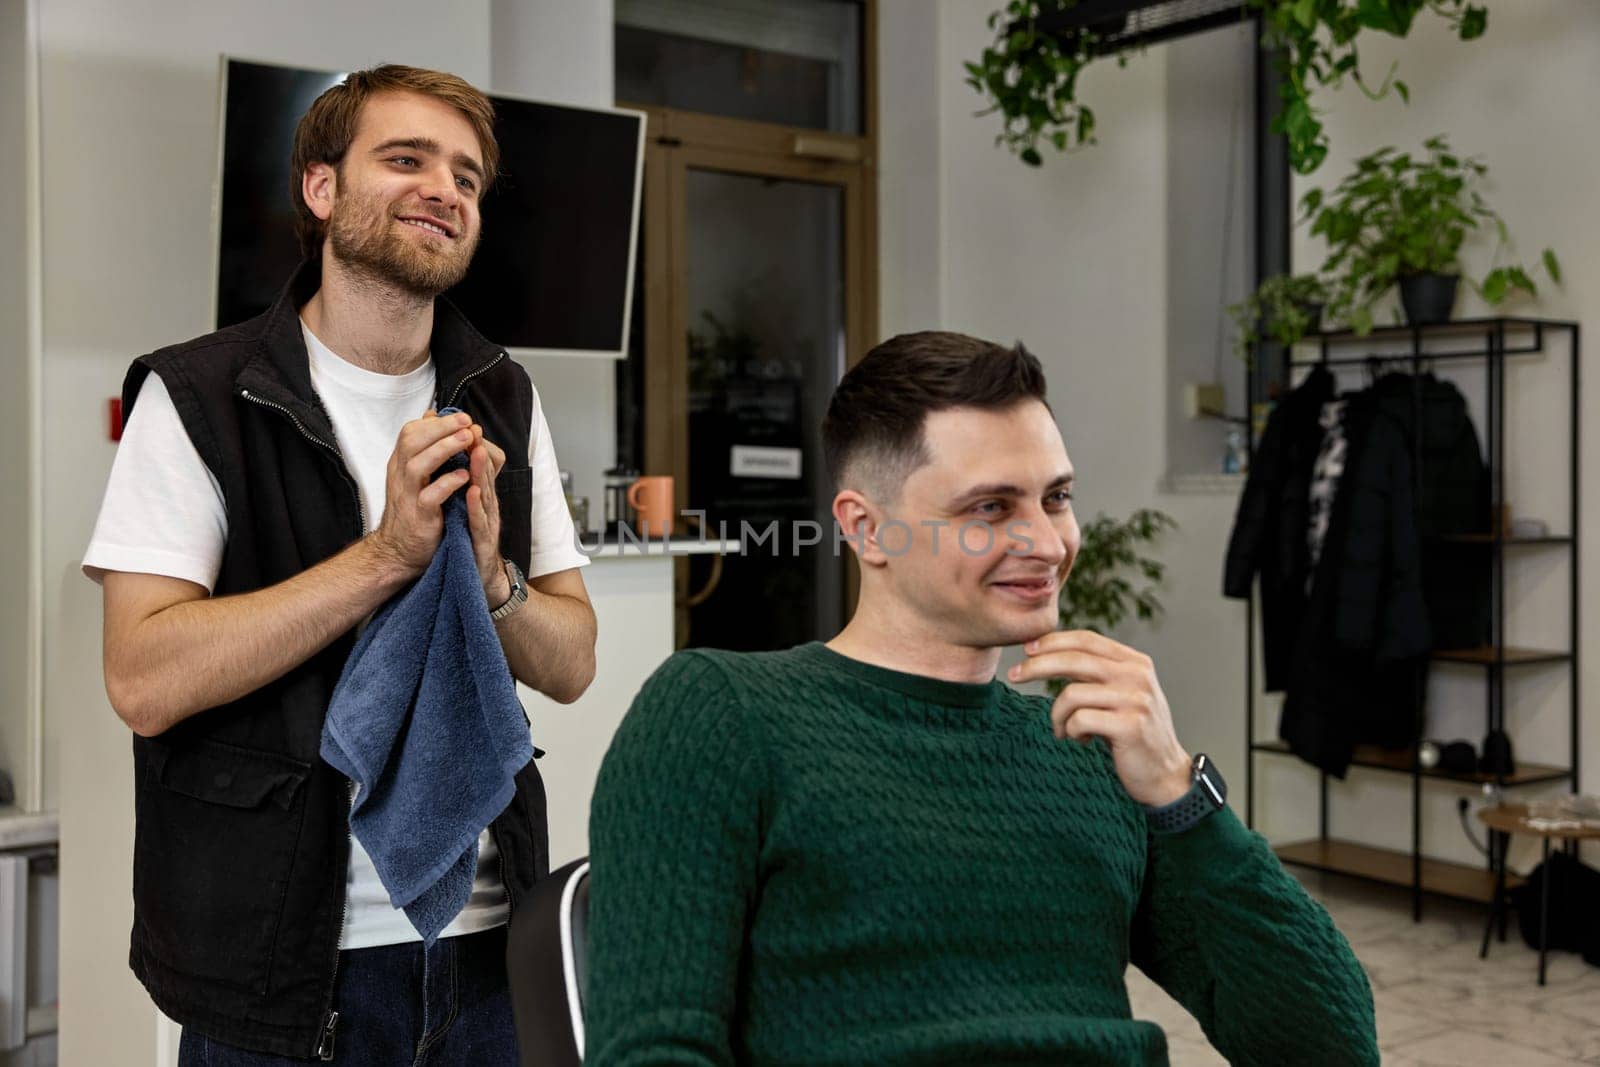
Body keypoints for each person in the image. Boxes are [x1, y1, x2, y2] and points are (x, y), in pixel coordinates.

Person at [583, 332, 1378, 1065]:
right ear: (867, 529)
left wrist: (1178, 790)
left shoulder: (1092, 751)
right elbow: (655, 1051)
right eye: (991, 507)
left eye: (1057, 497)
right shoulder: (722, 716)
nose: (1047, 541)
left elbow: (1331, 1046)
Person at [84, 65, 596, 1064]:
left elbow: (572, 660)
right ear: (321, 191)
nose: (443, 189)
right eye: (405, 159)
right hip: (283, 964)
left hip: (488, 951)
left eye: (466, 175)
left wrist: (494, 579)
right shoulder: (199, 394)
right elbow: (142, 678)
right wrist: (388, 554)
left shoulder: (501, 392)